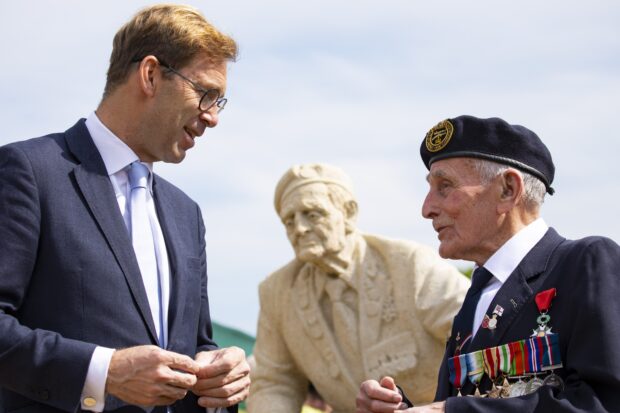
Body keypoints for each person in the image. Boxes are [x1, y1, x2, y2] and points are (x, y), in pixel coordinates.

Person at [0, 4, 250, 413]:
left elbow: (196, 343)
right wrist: (105, 371)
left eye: (218, 102)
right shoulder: (28, 172)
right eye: (205, 93)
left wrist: (219, 373)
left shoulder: (187, 214)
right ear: (150, 75)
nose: (212, 117)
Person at [356, 115, 620, 412]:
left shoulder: (587, 262)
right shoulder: (475, 299)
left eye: (444, 186)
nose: (427, 208)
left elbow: (605, 402)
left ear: (508, 189)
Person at [247, 163, 469, 413]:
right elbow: (275, 383)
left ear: (349, 212)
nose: (299, 228)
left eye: (312, 214)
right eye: (289, 221)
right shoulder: (277, 292)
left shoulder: (408, 265)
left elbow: (479, 339)